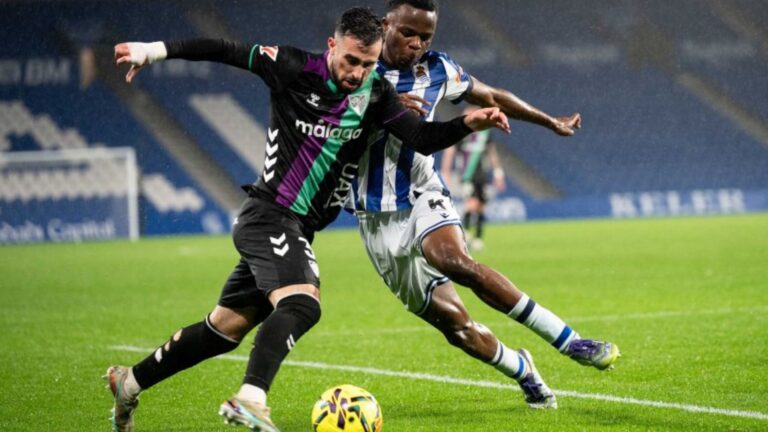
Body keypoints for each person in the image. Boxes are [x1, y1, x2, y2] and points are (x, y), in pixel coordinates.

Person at [105, 7, 511, 432]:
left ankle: (129, 382)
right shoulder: (292, 67)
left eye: (368, 63)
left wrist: (467, 122)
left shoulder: (375, 93)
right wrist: (151, 51)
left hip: (298, 227)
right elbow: (225, 49)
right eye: (350, 60)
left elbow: (420, 137)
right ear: (332, 45)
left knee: (224, 329)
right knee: (302, 302)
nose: (357, 72)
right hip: (270, 215)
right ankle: (251, 400)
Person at [350, 0, 620, 410]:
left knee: (455, 261)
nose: (417, 44)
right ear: (385, 24)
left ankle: (569, 340)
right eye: (408, 33)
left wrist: (550, 121)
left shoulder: (437, 68)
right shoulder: (354, 70)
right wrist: (376, 108)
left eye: (426, 37)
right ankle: (522, 368)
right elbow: (321, 122)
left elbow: (491, 93)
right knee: (459, 330)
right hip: (377, 220)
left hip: (423, 191)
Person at [440, 105, 507, 251]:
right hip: (466, 175)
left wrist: (498, 173)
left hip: (482, 175)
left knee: (482, 207)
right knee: (471, 204)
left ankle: (478, 238)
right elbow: (450, 151)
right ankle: (467, 236)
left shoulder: (484, 133)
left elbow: (492, 152)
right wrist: (445, 172)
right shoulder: (460, 133)